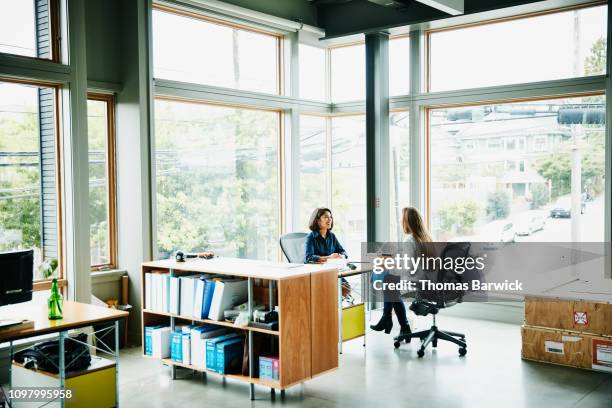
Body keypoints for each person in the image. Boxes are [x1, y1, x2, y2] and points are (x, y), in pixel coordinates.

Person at [370, 207, 433, 336]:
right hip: (428, 282)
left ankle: (388, 319)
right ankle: (402, 326)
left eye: (401, 218)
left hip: (416, 284)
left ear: (407, 221)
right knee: (391, 285)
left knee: (388, 280)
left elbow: (407, 268)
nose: (400, 221)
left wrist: (388, 265)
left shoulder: (410, 240)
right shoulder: (425, 238)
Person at [304, 207, 351, 298]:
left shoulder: (331, 236)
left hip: (332, 270)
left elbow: (343, 251)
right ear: (317, 221)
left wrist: (341, 256)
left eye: (330, 217)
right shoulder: (311, 237)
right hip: (318, 274)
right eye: (326, 217)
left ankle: (337, 309)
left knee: (346, 288)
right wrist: (329, 257)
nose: (330, 219)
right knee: (340, 289)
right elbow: (309, 258)